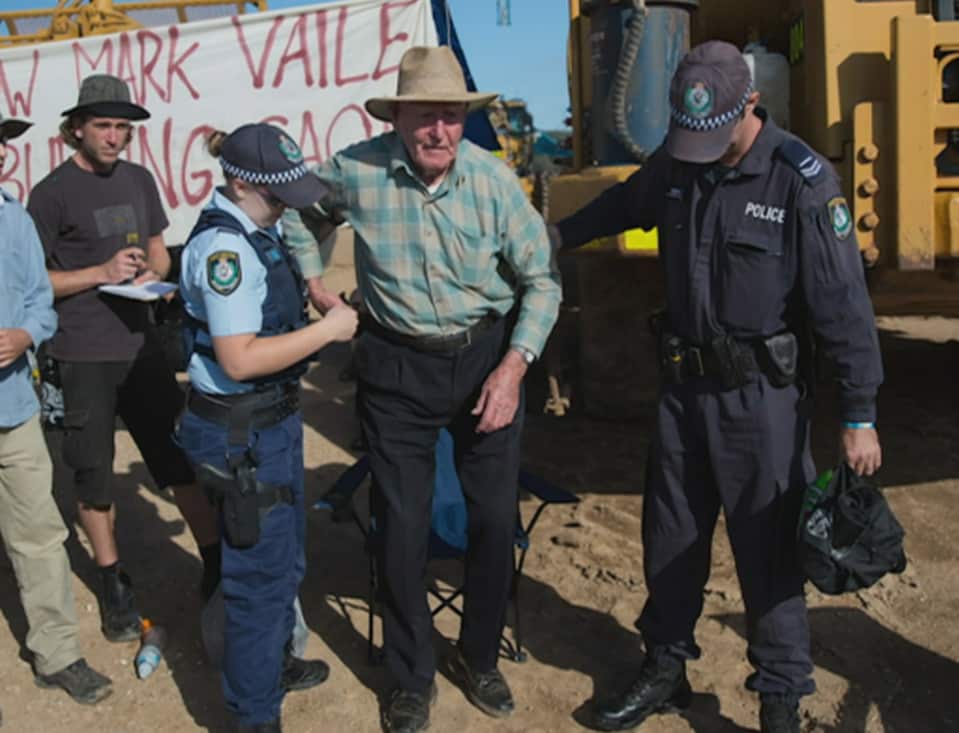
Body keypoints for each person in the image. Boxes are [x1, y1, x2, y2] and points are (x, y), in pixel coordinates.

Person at [551, 41, 883, 733]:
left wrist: (859, 410)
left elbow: (841, 304)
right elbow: (615, 207)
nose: (698, 148)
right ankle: (665, 664)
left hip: (762, 400)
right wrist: (546, 239)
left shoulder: (801, 180)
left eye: (714, 132)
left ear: (750, 107)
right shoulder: (679, 162)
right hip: (680, 394)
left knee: (768, 546)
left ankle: (780, 696)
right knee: (669, 536)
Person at [283, 45, 562, 733]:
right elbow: (297, 215)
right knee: (401, 527)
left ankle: (476, 656)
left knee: (494, 519)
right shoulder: (356, 169)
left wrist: (513, 367)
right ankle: (409, 676)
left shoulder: (494, 182)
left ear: (463, 120)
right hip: (396, 368)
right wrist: (315, 283)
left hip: (485, 364)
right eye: (424, 116)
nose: (438, 130)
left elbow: (541, 281)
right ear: (397, 118)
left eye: (450, 116)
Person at [176, 122, 357, 733]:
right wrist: (329, 333)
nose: (284, 208)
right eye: (277, 197)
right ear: (240, 182)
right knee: (256, 581)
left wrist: (317, 302)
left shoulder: (258, 229)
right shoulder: (226, 251)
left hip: (267, 425)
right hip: (242, 434)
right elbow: (240, 357)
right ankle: (254, 716)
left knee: (284, 562)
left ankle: (273, 663)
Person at [27, 74, 220, 642]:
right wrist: (99, 274)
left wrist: (152, 273)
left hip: (141, 348)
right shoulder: (51, 193)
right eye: (104, 126)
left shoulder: (138, 178)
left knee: (179, 460)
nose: (114, 137)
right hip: (81, 352)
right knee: (93, 476)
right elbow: (31, 282)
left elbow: (159, 250)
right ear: (76, 129)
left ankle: (215, 563)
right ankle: (113, 582)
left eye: (123, 128)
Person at [0, 111, 112, 708]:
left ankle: (58, 653)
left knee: (39, 534)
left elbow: (42, 304)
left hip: (12, 408)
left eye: (0, 142)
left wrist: (25, 335)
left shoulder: (14, 221)